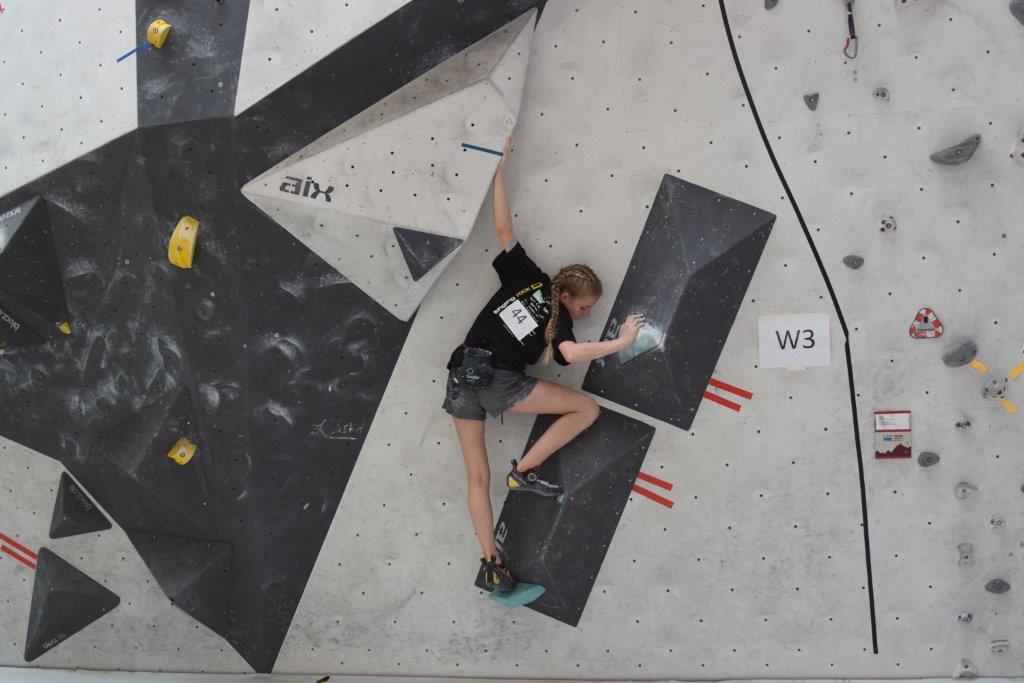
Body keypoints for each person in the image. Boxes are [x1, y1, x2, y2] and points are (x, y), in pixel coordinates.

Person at [442, 134, 645, 594]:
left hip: (461, 377)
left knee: (476, 475)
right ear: (568, 296)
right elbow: (570, 355)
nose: (585, 313)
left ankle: (493, 564)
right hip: (496, 381)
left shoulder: (527, 277)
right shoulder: (559, 324)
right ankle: (524, 472)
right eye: (585, 307)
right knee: (586, 410)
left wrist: (499, 171)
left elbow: (503, 228)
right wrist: (621, 342)